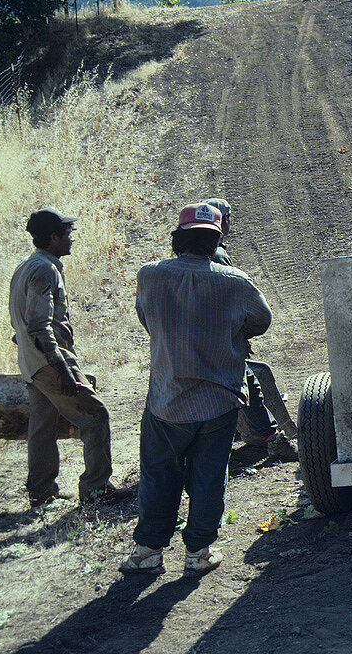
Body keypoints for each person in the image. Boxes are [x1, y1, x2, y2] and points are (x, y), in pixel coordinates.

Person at [121, 203, 272, 576]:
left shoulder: (150, 276)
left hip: (166, 398)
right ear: (217, 240)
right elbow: (262, 321)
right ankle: (199, 553)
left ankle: (148, 553)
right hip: (218, 400)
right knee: (208, 476)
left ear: (179, 237)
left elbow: (147, 319)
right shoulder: (235, 281)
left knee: (158, 473)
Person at [8, 208, 132, 508]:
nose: (72, 239)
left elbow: (19, 324)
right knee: (95, 416)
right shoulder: (43, 270)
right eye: (68, 233)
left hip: (31, 363)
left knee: (43, 425)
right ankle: (96, 489)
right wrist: (62, 368)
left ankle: (40, 490)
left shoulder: (27, 265)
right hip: (49, 363)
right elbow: (38, 324)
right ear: (53, 238)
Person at [204, 198, 297, 463]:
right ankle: (271, 438)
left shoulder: (196, 256)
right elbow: (236, 303)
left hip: (201, 336)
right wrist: (242, 335)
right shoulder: (218, 255)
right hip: (224, 335)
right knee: (248, 385)